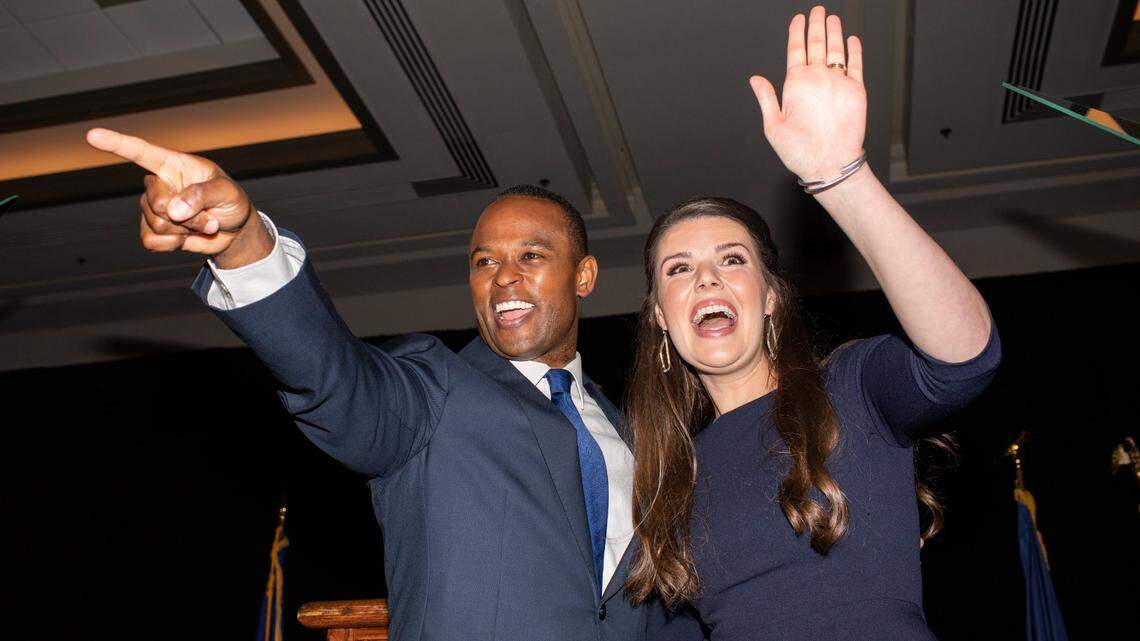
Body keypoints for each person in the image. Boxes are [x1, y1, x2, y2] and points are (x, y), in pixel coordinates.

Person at [85, 128, 644, 640]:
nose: (503, 277)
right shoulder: (434, 390)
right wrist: (243, 245)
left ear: (584, 276)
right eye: (483, 262)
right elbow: (334, 377)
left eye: (532, 255)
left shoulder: (631, 434)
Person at [625, 7, 1000, 640]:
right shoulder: (666, 480)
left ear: (771, 297)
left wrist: (840, 177)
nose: (707, 279)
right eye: (679, 269)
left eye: (732, 260)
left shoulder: (850, 389)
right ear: (661, 317)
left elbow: (965, 358)